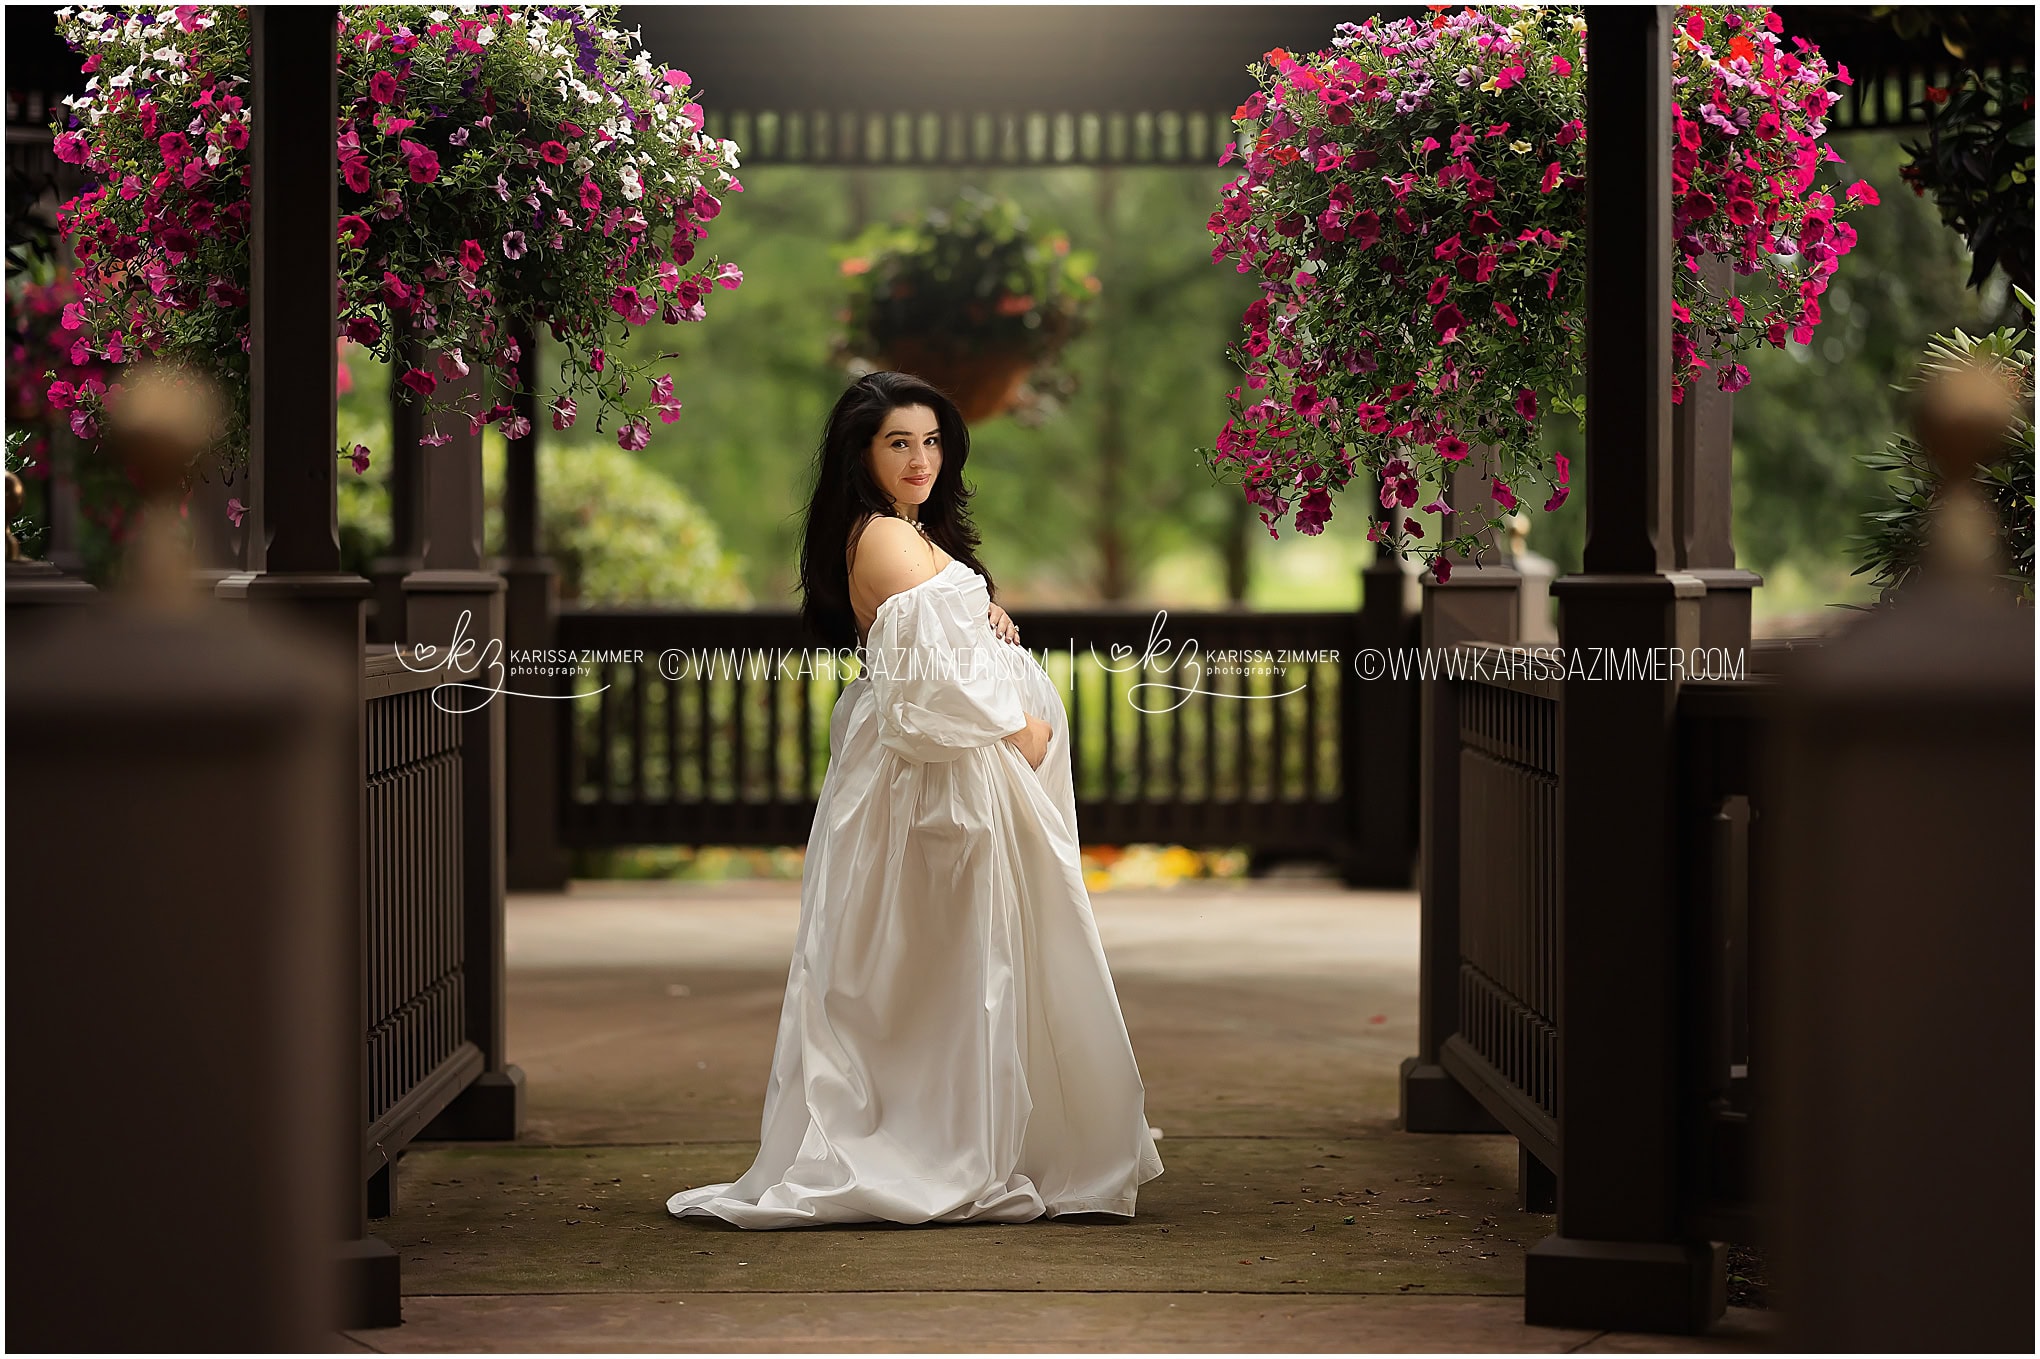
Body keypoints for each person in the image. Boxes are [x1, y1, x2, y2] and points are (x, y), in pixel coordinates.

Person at [665, 371, 1164, 1227]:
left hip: (954, 776)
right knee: (949, 969)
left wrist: (989, 617)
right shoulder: (884, 539)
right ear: (863, 453)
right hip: (934, 784)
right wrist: (1022, 728)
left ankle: (968, 1133)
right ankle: (936, 1143)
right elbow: (928, 678)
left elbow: (946, 636)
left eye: (931, 441)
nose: (920, 457)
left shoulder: (911, 533)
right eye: (899, 442)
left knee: (964, 965)